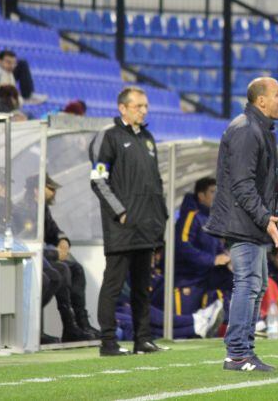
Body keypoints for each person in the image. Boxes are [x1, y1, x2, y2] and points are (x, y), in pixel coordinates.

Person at [205, 77, 278, 372]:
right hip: (241, 222)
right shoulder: (246, 129)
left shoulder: (259, 128)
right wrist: (263, 217)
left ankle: (244, 351)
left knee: (255, 286)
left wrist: (272, 217)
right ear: (261, 100)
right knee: (247, 284)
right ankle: (237, 353)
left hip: (251, 221)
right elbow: (243, 185)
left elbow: (253, 186)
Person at [90, 86, 169, 356]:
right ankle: (108, 343)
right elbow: (98, 180)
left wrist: (161, 216)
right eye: (139, 106)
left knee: (141, 288)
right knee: (113, 286)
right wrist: (120, 212)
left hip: (146, 227)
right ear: (122, 108)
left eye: (146, 106)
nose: (144, 111)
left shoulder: (147, 138)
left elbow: (156, 182)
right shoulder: (108, 137)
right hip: (122, 228)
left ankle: (142, 340)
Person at [15, 174, 100, 342]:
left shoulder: (42, 209)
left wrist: (62, 240)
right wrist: (54, 254)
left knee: (75, 268)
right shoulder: (24, 210)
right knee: (61, 270)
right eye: (50, 189)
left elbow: (54, 231)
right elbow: (26, 244)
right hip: (30, 258)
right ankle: (44, 328)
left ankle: (79, 324)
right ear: (37, 190)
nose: (54, 193)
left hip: (43, 257)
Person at [173, 177, 232, 318]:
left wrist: (227, 258)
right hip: (188, 278)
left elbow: (218, 249)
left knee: (239, 279)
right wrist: (212, 260)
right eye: (213, 192)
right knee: (183, 332)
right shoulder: (190, 217)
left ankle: (244, 321)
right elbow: (183, 246)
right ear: (201, 196)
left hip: (207, 275)